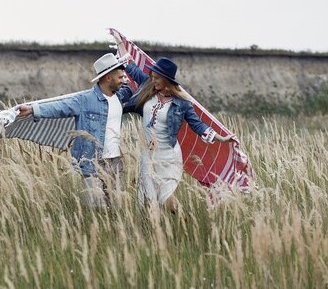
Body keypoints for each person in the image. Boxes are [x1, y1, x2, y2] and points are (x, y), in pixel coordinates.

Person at [17, 53, 132, 207]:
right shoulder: (84, 100)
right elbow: (59, 107)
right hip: (92, 161)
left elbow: (136, 84)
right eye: (120, 78)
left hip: (115, 161)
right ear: (108, 78)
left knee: (116, 206)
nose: (123, 81)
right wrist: (32, 109)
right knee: (97, 207)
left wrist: (127, 55)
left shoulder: (121, 95)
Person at [124, 57, 237, 213]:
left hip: (168, 155)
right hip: (149, 154)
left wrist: (221, 138)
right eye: (152, 76)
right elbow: (132, 69)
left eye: (157, 77)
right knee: (148, 199)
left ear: (166, 80)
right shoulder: (149, 87)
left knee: (167, 199)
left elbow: (197, 124)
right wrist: (120, 43)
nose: (153, 79)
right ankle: (150, 231)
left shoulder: (182, 103)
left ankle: (185, 223)